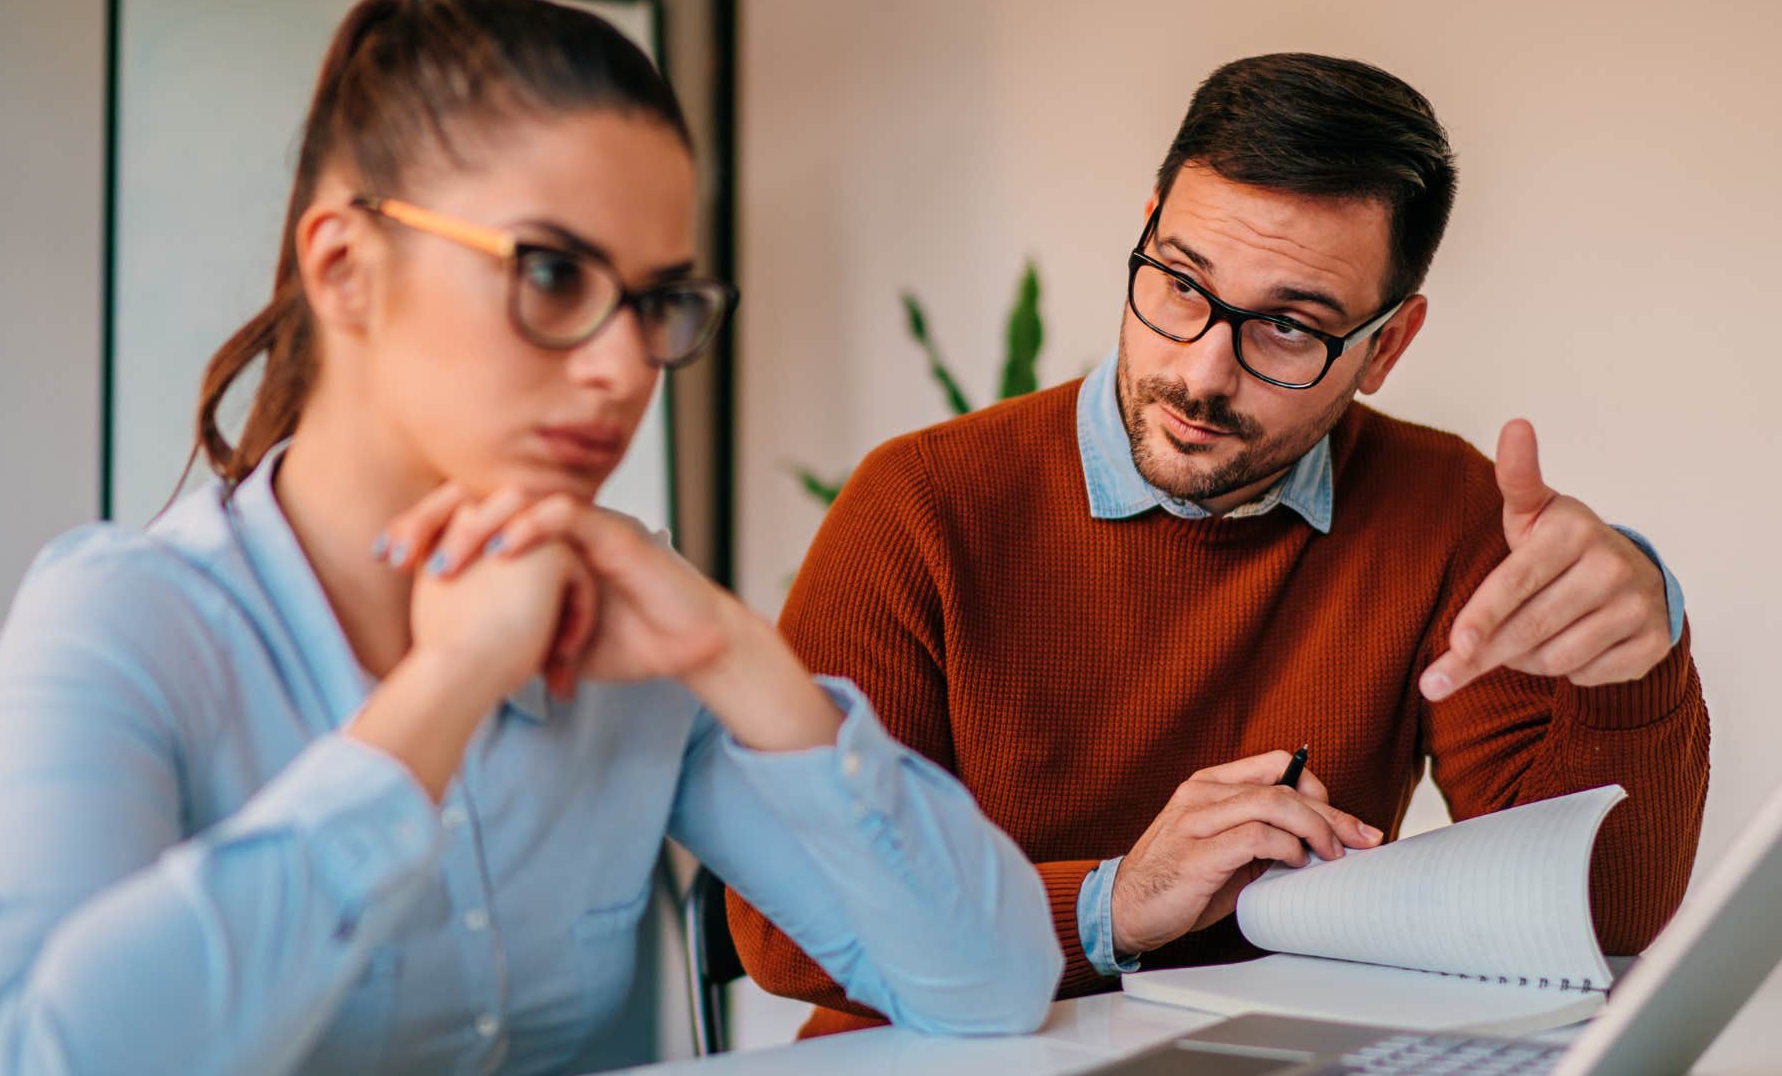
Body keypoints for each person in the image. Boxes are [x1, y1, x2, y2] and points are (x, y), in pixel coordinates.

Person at [0, 0, 1061, 1071]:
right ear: (345, 269)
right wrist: (449, 684)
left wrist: (733, 653)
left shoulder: (629, 630)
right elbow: (20, 1057)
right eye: (553, 274)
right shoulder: (128, 617)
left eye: (657, 303)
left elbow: (995, 985)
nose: (624, 370)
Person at [730, 52, 1709, 1038]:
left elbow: (1596, 922)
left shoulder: (1446, 511)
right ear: (1148, 226)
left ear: (1386, 346)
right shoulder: (921, 504)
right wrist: (1116, 902)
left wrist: (1631, 666)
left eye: (1287, 327)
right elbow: (787, 919)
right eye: (1181, 284)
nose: (1201, 373)